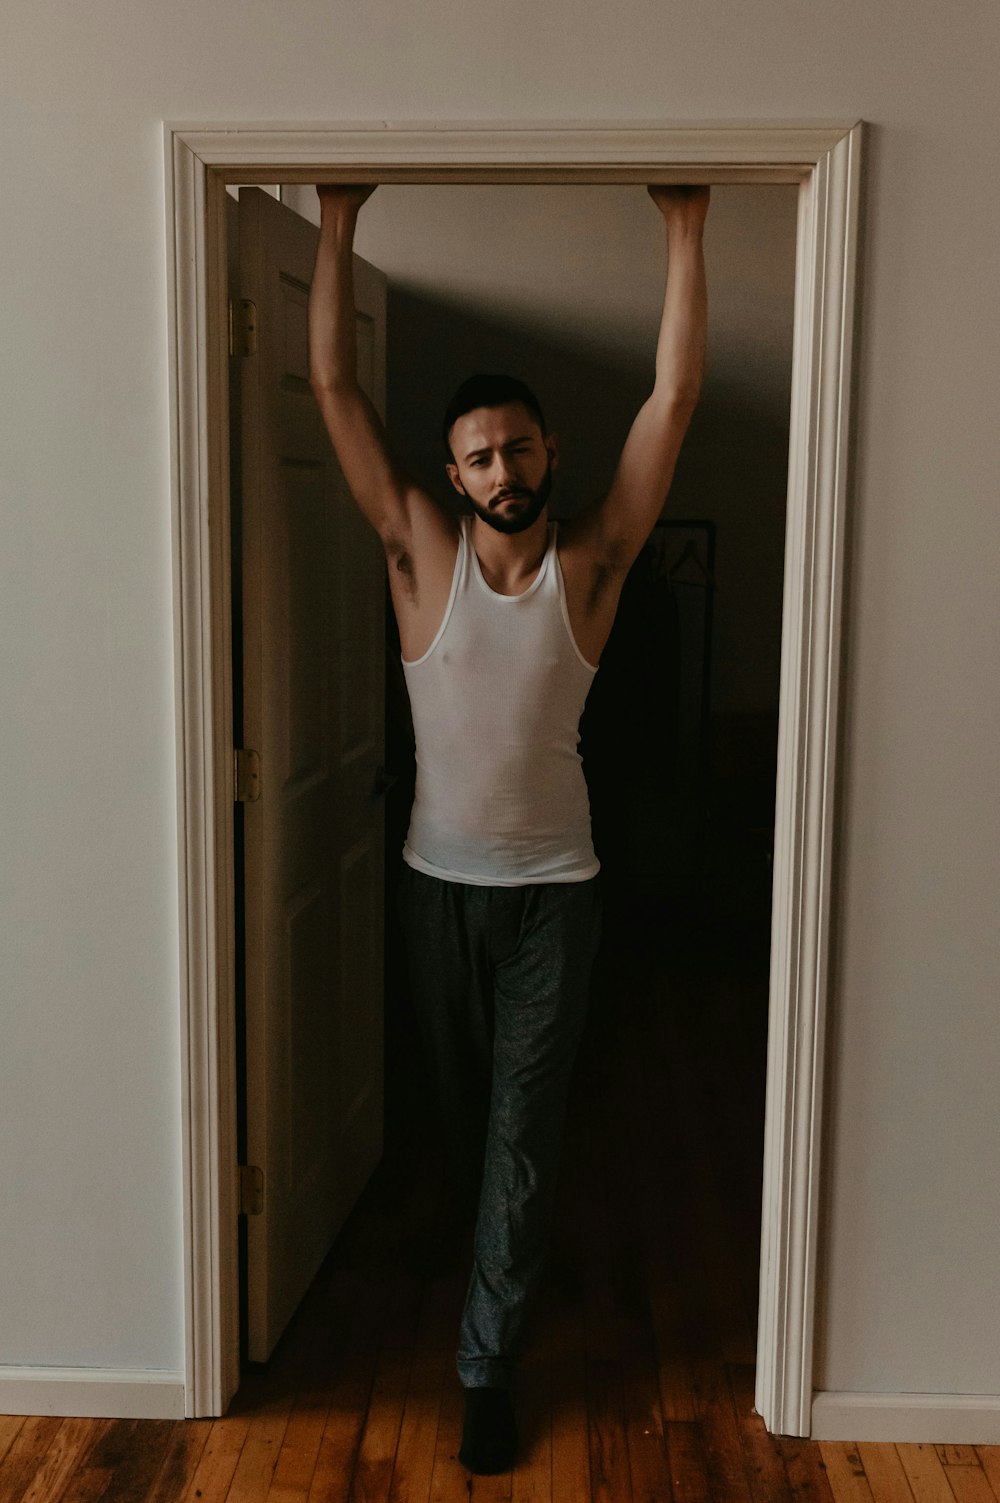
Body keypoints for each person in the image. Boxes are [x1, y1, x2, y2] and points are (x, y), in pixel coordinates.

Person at [307, 181, 709, 1474]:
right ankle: (479, 1265)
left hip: (558, 894)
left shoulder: (589, 565)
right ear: (454, 473)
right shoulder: (419, 552)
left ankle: (487, 1365)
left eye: (520, 448)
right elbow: (332, 397)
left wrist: (685, 228)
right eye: (481, 454)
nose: (503, 471)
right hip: (434, 891)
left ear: (548, 455)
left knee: (524, 1134)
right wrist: (333, 219)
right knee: (467, 1112)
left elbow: (671, 407)